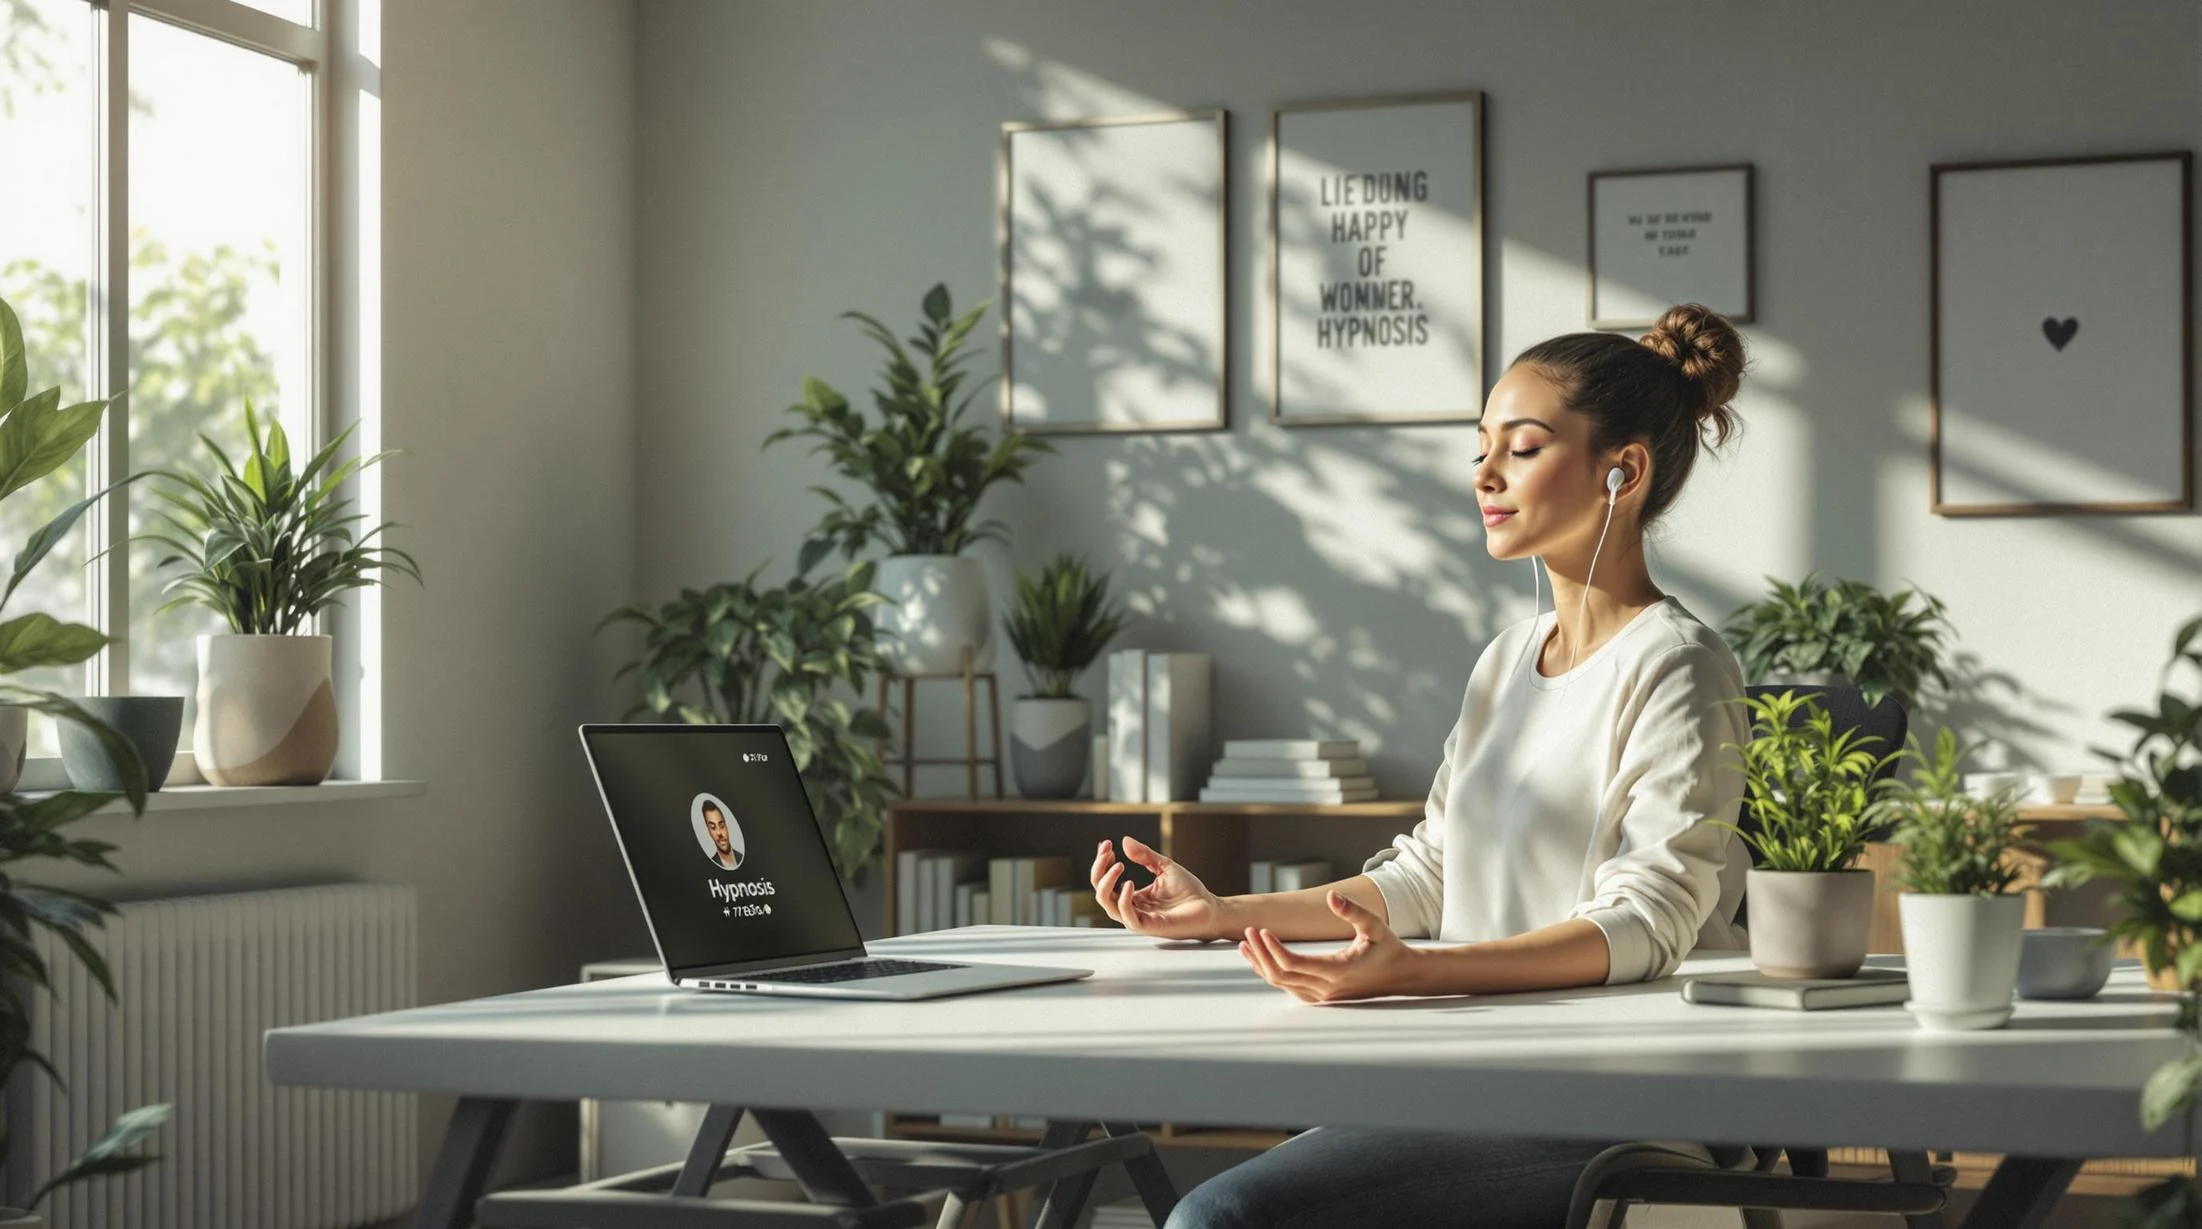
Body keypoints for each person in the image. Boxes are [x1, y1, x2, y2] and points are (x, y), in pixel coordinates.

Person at [1090, 304, 1754, 1229]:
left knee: (1221, 1217)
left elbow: (1647, 925)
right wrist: (1223, 912)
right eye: (1482, 446)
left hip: (1618, 1111)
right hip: (1478, 1084)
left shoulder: (1680, 664)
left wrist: (1415, 975)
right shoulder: (1504, 662)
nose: (1484, 473)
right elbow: (1428, 874)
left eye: (1521, 448)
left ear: (1624, 471)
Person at [702, 800, 743, 871]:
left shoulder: (741, 858)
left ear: (727, 826)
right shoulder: (709, 868)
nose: (719, 833)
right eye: (713, 827)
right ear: (709, 832)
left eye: (721, 825)